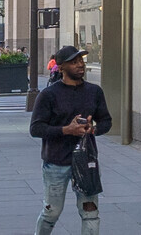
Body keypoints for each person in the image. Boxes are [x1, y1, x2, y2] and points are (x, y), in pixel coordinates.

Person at [30, 45, 114, 235]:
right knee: (51, 213)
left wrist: (93, 128)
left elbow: (106, 121)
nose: (80, 65)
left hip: (87, 162)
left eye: (81, 61)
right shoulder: (48, 95)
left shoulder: (94, 91)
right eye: (74, 62)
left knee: (90, 213)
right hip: (56, 162)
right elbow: (35, 129)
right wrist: (67, 130)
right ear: (61, 68)